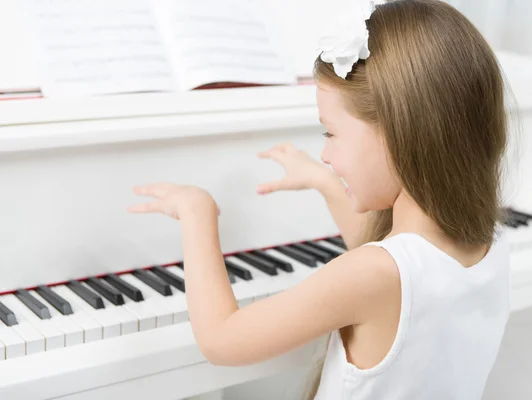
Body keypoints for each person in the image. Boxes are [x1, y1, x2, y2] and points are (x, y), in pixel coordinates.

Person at [128, 0, 511, 398]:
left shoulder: (373, 274)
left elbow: (222, 340)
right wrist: (327, 184)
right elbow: (404, 271)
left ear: (399, 134)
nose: (326, 155)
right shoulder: (491, 240)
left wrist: (197, 213)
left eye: (331, 133)